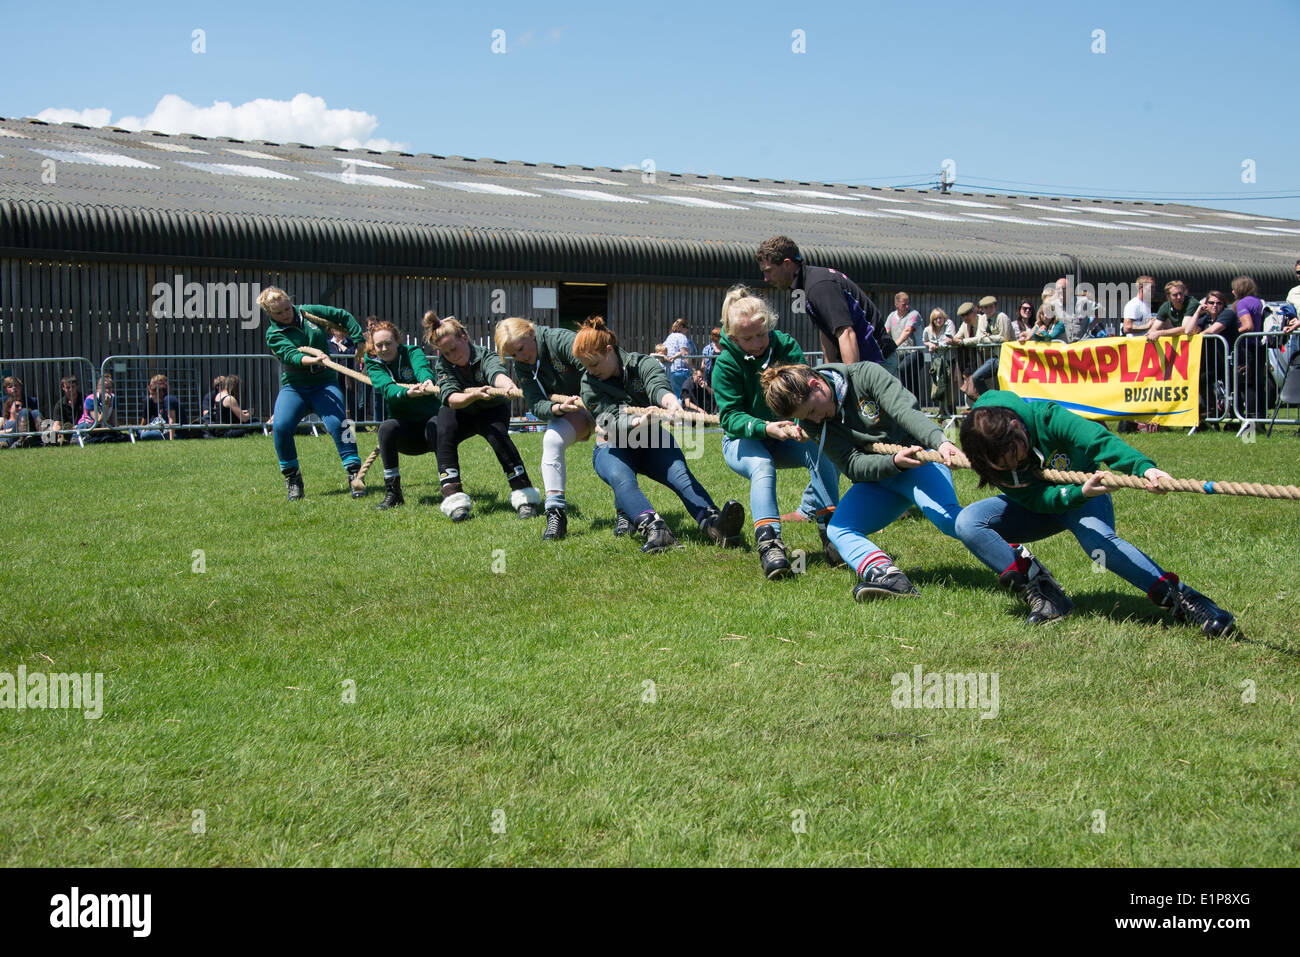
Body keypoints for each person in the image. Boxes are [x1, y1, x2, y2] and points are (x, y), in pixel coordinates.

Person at [957, 392, 1235, 635]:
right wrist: (1075, 493)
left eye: (1017, 454)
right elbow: (1037, 499)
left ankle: (1186, 600)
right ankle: (1046, 594)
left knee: (1099, 545)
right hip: (1048, 504)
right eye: (1006, 464)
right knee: (968, 522)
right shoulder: (987, 456)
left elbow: (1098, 440)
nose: (1016, 464)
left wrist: (1144, 468)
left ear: (1017, 426)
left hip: (1086, 498)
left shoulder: (1048, 417)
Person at [760, 361, 1004, 603]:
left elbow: (905, 411)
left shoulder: (865, 375)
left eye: (813, 410)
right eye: (806, 417)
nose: (814, 419)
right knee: (838, 529)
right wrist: (893, 463)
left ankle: (1019, 562)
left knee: (951, 521)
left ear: (816, 385)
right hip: (882, 477)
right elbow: (852, 465)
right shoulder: (812, 424)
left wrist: (940, 441)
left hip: (919, 465)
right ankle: (889, 578)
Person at [574, 316, 744, 553]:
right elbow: (609, 420)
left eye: (593, 364)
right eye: (586, 366)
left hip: (653, 441)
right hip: (612, 446)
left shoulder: (642, 364)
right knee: (622, 478)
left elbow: (658, 386)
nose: (590, 371)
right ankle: (656, 530)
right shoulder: (589, 383)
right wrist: (640, 420)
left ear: (609, 351)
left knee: (682, 478)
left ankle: (716, 525)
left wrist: (671, 404)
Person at [713, 286, 842, 579]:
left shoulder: (786, 347)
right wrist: (766, 427)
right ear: (732, 337)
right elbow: (730, 417)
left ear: (769, 325)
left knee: (820, 451)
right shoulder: (725, 364)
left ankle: (833, 532)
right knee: (762, 465)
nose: (757, 342)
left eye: (762, 334)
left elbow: (803, 395)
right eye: (747, 339)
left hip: (784, 434)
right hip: (742, 440)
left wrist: (799, 426)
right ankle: (770, 544)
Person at [428, 312, 541, 522]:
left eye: (454, 348)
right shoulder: (443, 364)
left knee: (498, 437)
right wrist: (472, 395)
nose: (452, 355)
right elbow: (451, 398)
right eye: (446, 352)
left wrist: (507, 385)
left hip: (491, 409)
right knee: (440, 429)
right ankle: (454, 501)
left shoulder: (484, 355)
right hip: (460, 409)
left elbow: (495, 373)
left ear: (464, 337)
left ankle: (525, 498)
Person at [257, 287, 366, 501]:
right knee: (281, 426)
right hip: (295, 386)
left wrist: (358, 339)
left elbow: (342, 316)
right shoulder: (274, 334)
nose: (286, 314)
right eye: (279, 313)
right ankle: (293, 479)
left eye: (287, 308)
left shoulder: (307, 313)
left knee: (341, 424)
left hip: (324, 382)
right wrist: (313, 360)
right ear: (270, 314)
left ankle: (355, 474)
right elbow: (290, 356)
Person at [495, 316, 594, 539]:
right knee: (551, 440)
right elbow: (536, 402)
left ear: (531, 333)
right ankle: (555, 514)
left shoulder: (561, 340)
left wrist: (591, 403)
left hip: (603, 402)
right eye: (513, 355)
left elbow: (592, 369)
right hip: (572, 409)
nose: (520, 358)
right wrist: (559, 408)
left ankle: (625, 513)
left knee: (609, 449)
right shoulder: (522, 366)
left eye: (521, 349)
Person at [756, 235, 888, 365]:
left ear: (787, 264)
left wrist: (852, 378)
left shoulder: (819, 286)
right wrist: (829, 369)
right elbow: (825, 330)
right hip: (866, 363)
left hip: (878, 362)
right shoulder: (804, 286)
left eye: (768, 271)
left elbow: (846, 332)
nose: (765, 279)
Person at [364, 320, 441, 510]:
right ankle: (393, 494)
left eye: (388, 343)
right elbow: (387, 388)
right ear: (373, 347)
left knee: (438, 424)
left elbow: (422, 369)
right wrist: (407, 393)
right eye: (379, 345)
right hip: (406, 433)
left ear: (397, 341)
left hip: (430, 428)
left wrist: (426, 382)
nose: (384, 348)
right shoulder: (373, 363)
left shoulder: (411, 352)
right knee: (387, 428)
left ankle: (450, 488)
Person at [1229, 276, 1271, 419]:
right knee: (1258, 383)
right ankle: (1260, 418)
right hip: (1259, 347)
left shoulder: (1242, 303)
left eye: (1234, 289)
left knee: (1248, 384)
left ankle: (1251, 419)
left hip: (1247, 348)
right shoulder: (1258, 301)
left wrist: (1233, 334)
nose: (1233, 292)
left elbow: (1248, 326)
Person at [884, 292, 924, 392]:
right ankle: (910, 404)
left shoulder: (914, 315)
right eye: (904, 304)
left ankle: (912, 404)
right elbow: (885, 332)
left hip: (915, 353)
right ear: (896, 304)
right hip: (899, 354)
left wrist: (893, 345)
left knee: (903, 370)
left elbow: (907, 331)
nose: (907, 306)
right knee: (905, 378)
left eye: (908, 304)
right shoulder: (891, 316)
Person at [924, 307, 959, 416]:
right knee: (938, 388)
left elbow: (948, 340)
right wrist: (930, 344)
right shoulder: (927, 329)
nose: (938, 320)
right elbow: (925, 341)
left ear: (944, 317)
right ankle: (941, 414)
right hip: (937, 363)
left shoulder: (949, 324)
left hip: (949, 361)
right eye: (935, 319)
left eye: (940, 318)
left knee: (950, 391)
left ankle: (951, 415)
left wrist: (936, 346)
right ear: (932, 320)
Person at [139, 374, 181, 441]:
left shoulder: (169, 399)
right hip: (162, 429)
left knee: (144, 435)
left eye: (152, 394)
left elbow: (172, 421)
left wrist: (171, 440)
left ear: (158, 392)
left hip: (174, 433)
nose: (150, 397)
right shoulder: (160, 402)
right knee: (139, 431)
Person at [663, 318, 696, 399]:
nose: (687, 330)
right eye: (686, 328)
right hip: (681, 370)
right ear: (681, 327)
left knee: (674, 394)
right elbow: (685, 354)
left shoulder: (669, 337)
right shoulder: (682, 337)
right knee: (683, 395)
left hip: (670, 370)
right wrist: (693, 370)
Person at [52, 375, 83, 444]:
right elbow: (57, 424)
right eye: (68, 387)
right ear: (63, 388)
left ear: (77, 386)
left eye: (73, 387)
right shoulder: (60, 404)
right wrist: (59, 432)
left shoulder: (85, 399)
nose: (71, 390)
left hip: (82, 428)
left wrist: (77, 426)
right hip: (66, 430)